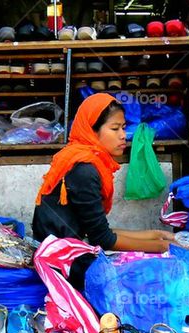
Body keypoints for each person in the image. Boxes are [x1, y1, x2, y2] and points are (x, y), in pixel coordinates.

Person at [33, 92, 175, 290]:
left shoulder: (91, 162)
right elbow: (103, 239)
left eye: (124, 128)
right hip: (62, 261)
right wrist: (164, 248)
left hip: (73, 248)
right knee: (150, 279)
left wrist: (155, 234)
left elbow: (99, 231)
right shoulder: (84, 169)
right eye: (115, 128)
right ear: (93, 131)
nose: (123, 135)